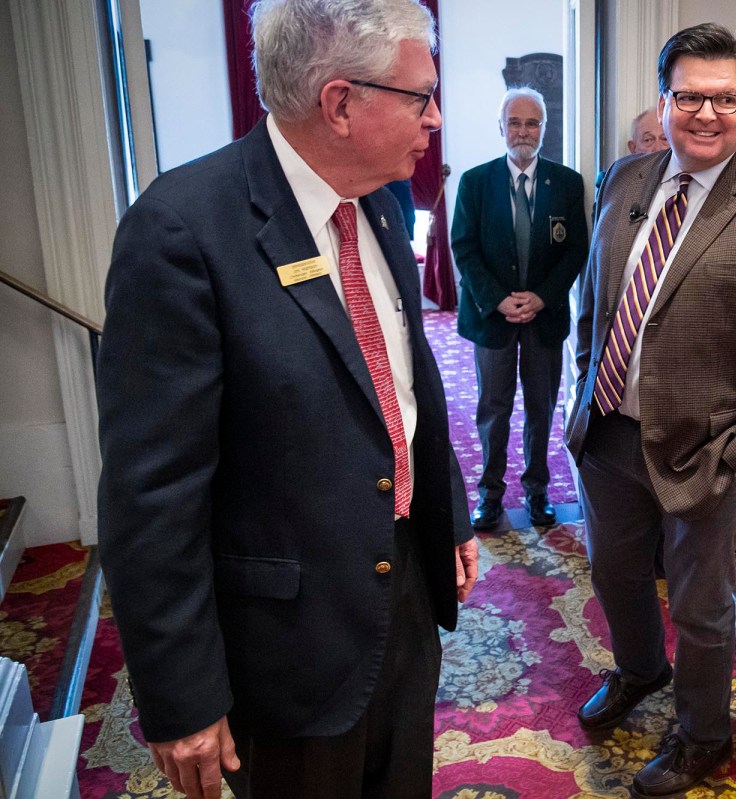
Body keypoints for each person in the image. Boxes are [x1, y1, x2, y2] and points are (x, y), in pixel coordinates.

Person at [95, 2, 478, 798]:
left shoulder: (382, 198)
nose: (436, 119)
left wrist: (445, 513)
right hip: (288, 646)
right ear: (340, 103)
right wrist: (183, 697)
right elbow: (151, 497)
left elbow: (406, 382)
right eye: (420, 97)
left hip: (401, 590)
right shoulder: (182, 232)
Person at [566, 23, 736, 797]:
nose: (707, 113)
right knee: (615, 574)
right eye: (691, 96)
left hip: (706, 456)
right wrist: (587, 391)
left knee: (702, 607)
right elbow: (600, 302)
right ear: (665, 99)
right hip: (610, 434)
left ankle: (704, 734)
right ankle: (639, 671)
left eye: (726, 99)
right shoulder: (624, 179)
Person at [452, 87, 588, 530]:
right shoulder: (475, 182)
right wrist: (497, 299)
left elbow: (576, 252)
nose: (523, 131)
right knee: (493, 409)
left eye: (532, 123)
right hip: (492, 319)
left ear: (544, 129)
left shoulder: (567, 183)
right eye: (515, 122)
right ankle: (490, 495)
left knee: (540, 408)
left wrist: (542, 296)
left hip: (543, 319)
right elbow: (464, 248)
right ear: (501, 128)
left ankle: (537, 491)